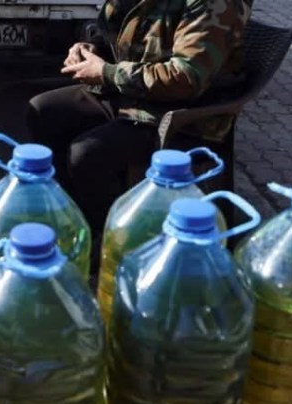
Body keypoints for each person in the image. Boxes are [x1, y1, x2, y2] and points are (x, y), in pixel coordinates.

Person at [26, 0, 252, 237]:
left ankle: (110, 239)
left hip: (182, 116)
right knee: (42, 111)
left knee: (86, 153)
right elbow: (114, 36)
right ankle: (71, 214)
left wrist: (107, 73)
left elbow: (184, 79)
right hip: (134, 94)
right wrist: (88, 49)